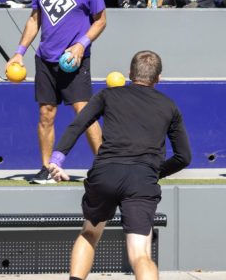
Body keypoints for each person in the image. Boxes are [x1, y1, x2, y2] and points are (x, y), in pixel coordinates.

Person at [48, 50, 192, 280]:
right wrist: (154, 172)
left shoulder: (108, 95)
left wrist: (57, 158)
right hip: (142, 180)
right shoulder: (169, 106)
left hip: (106, 173)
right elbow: (184, 157)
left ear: (129, 74)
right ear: (158, 79)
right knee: (140, 255)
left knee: (89, 234)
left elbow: (78, 124)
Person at [5, 0, 105, 184]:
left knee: (85, 113)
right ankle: (47, 168)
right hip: (45, 59)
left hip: (74, 60)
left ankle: (104, 168)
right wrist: (19, 52)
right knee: (46, 114)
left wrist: (82, 44)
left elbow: (101, 21)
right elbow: (34, 20)